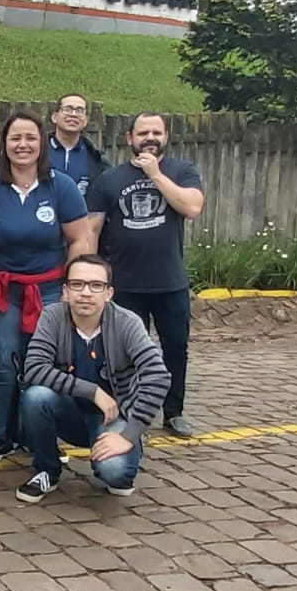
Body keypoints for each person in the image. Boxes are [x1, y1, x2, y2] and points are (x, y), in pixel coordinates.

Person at [0, 108, 92, 463]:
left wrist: (71, 286)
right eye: (15, 138)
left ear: (41, 143)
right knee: (2, 364)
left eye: (30, 137)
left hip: (48, 290)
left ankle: (40, 438)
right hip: (3, 291)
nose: (23, 144)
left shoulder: (61, 186)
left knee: (43, 365)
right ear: (4, 144)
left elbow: (79, 239)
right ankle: (3, 436)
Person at [16, 254, 170, 503]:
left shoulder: (127, 323)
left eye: (96, 285)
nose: (86, 293)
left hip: (114, 416)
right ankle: (46, 470)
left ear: (109, 293)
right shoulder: (52, 317)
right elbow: (34, 368)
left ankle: (127, 446)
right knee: (35, 396)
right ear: (65, 291)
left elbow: (158, 376)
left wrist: (129, 434)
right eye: (77, 284)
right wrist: (93, 391)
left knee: (116, 475)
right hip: (70, 412)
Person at [86, 112, 204, 438]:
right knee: (121, 352)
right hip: (125, 283)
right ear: (129, 138)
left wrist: (155, 175)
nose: (150, 137)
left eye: (156, 132)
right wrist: (91, 273)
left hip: (169, 282)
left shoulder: (182, 171)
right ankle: (125, 409)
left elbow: (192, 207)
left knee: (175, 349)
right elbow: (91, 229)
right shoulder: (109, 180)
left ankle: (173, 412)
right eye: (143, 133)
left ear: (166, 136)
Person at [48, 94, 110, 198]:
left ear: (86, 120)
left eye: (79, 111)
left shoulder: (96, 158)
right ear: (54, 117)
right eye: (67, 109)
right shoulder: (38, 151)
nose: (73, 114)